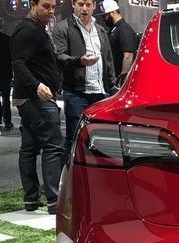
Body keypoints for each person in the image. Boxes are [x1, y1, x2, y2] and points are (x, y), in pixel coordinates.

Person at [10, 0, 64, 213]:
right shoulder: (28, 29)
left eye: (53, 7)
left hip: (31, 98)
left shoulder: (36, 29)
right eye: (46, 6)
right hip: (36, 99)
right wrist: (37, 85)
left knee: (30, 148)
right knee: (53, 145)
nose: (51, 11)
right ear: (33, 5)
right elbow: (18, 63)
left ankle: (31, 199)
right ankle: (55, 201)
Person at [52, 0, 115, 162]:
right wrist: (80, 61)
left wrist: (112, 87)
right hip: (76, 93)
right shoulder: (63, 27)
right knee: (73, 139)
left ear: (94, 5)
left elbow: (108, 61)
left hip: (101, 94)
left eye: (88, 4)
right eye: (80, 4)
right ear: (73, 4)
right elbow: (59, 57)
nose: (84, 8)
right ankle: (66, 181)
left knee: (101, 141)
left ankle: (97, 180)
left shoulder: (100, 30)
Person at [100, 0, 136, 85]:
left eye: (104, 16)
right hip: (113, 79)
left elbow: (128, 56)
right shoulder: (115, 29)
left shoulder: (124, 29)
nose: (103, 19)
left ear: (112, 13)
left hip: (119, 81)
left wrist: (122, 80)